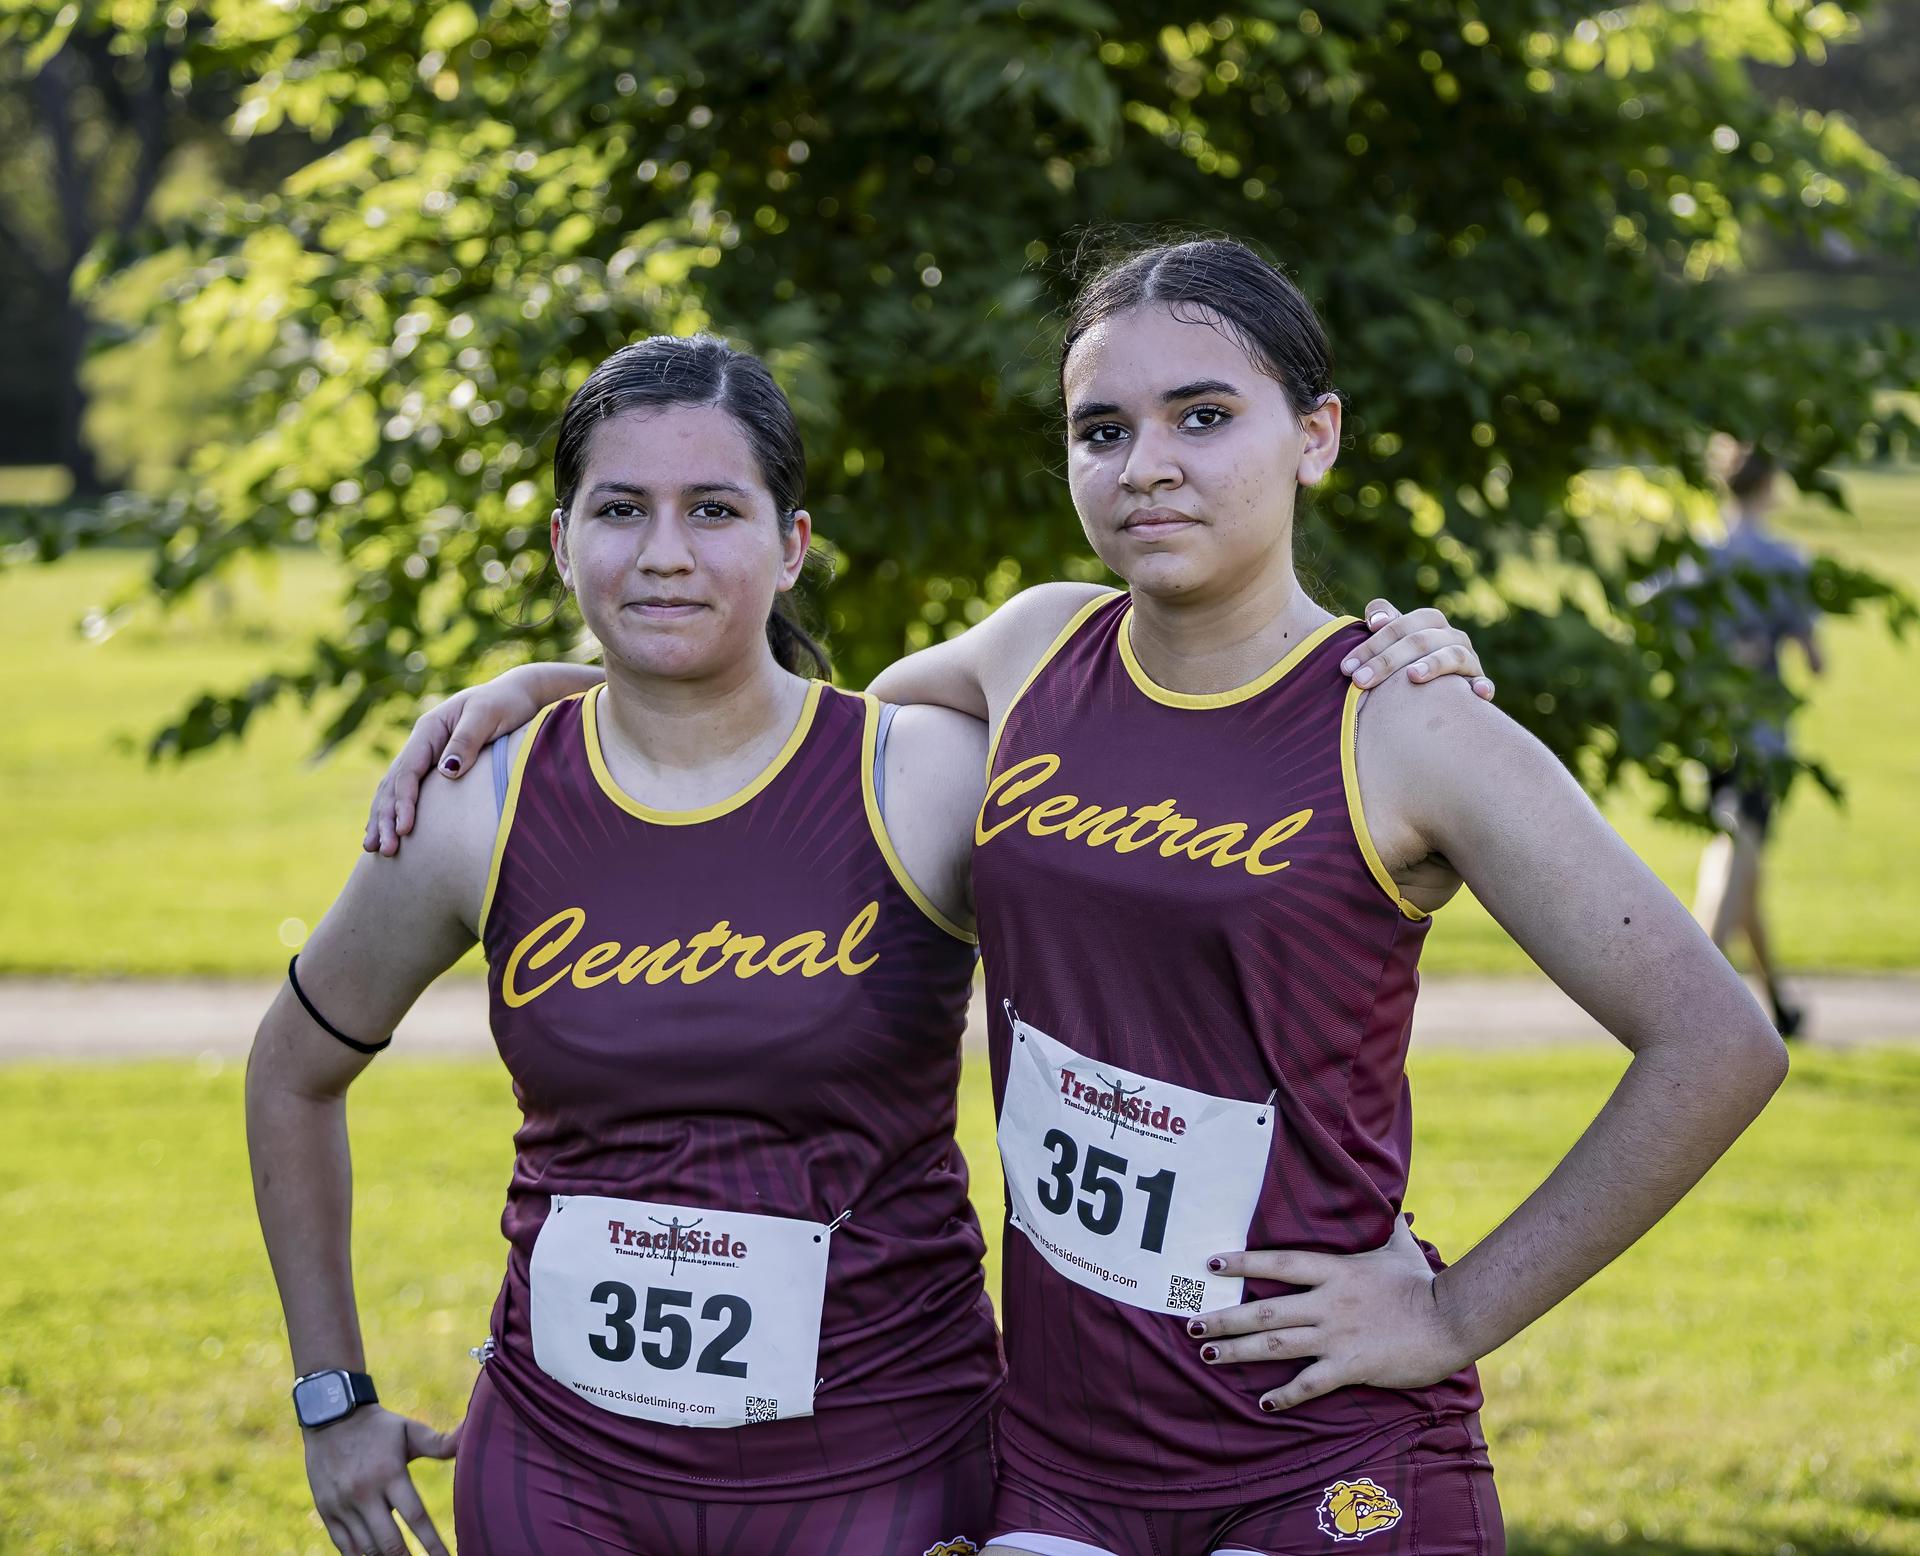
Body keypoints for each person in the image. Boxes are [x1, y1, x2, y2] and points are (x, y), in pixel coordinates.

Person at [374, 238, 1787, 1556]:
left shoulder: (1405, 718)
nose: (1146, 465)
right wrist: (555, 691)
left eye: (1202, 417)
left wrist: (1452, 1311)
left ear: (1316, 435)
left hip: (1315, 1443)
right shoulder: (1033, 649)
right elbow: (783, 739)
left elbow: (1717, 1044)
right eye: (1102, 430)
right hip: (1058, 1465)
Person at [260, 325, 1491, 1556]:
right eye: (620, 510)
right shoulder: (480, 801)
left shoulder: (931, 778)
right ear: (561, 541)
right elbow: (291, 1072)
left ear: (792, 546)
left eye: (716, 509)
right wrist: (332, 1397)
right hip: (560, 1475)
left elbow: (1194, 762)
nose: (666, 551)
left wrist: (1373, 665)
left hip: (883, 1475)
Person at [1687, 442, 1823, 1038]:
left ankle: (1780, 1004)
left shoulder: (1698, 555)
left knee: (1744, 866)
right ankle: (1692, 994)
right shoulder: (1782, 561)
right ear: (1770, 485)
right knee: (1737, 857)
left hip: (1706, 728)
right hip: (1762, 737)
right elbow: (1815, 660)